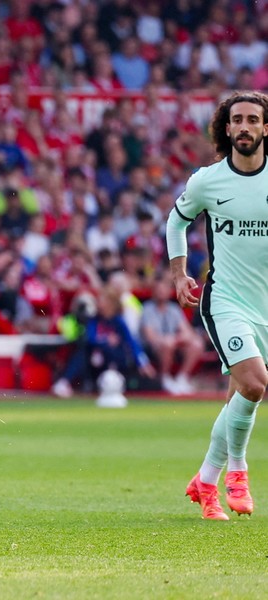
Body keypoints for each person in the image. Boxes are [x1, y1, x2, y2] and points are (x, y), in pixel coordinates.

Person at [166, 91, 268, 520]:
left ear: (266, 128)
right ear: (226, 129)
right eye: (237, 120)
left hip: (265, 304)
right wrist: (178, 273)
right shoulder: (208, 180)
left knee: (238, 399)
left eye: (252, 120)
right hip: (224, 298)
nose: (244, 127)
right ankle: (237, 474)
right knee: (254, 384)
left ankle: (206, 482)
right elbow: (176, 220)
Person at [140, 278, 205, 395]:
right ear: (153, 292)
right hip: (153, 347)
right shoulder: (147, 308)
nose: (161, 292)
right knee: (167, 344)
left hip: (173, 343)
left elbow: (187, 332)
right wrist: (169, 340)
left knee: (196, 344)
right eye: (158, 290)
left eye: (163, 290)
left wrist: (175, 339)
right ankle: (165, 378)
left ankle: (182, 378)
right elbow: (150, 337)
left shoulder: (174, 309)